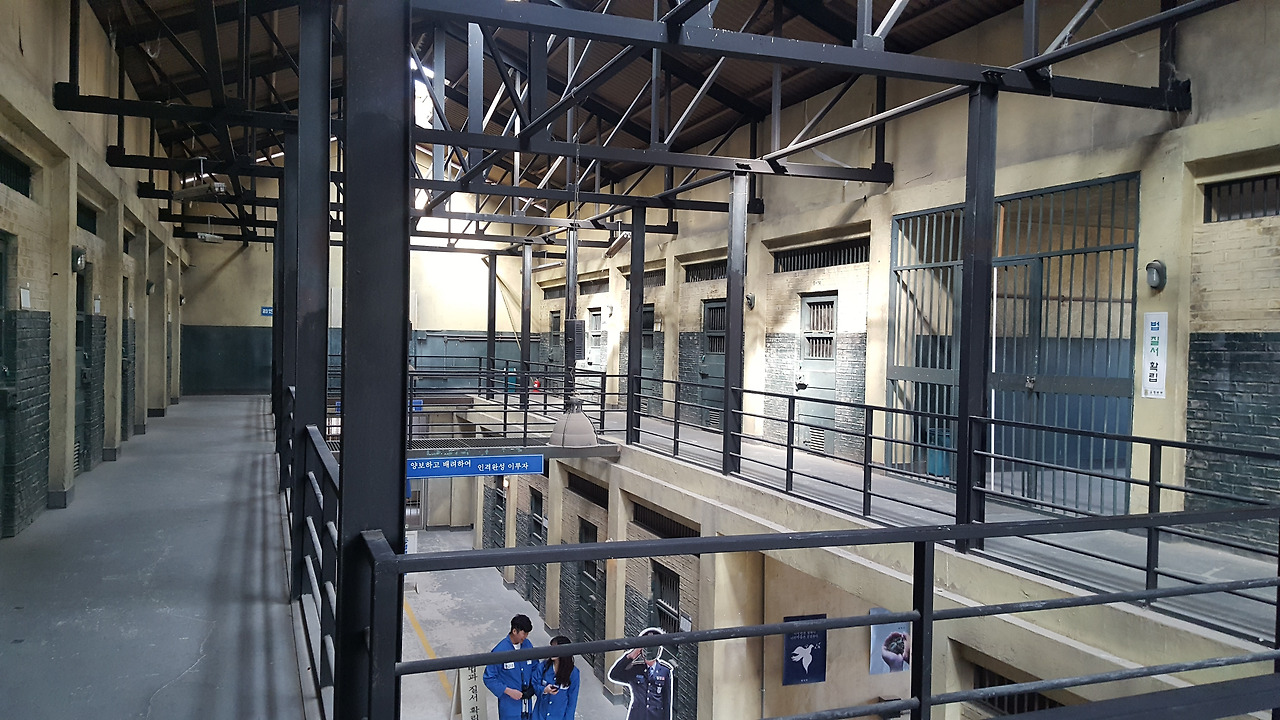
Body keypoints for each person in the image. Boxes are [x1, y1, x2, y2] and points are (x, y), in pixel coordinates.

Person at [608, 627, 674, 720]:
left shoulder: (665, 671)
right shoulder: (635, 669)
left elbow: (667, 702)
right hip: (637, 716)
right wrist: (630, 657)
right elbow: (614, 675)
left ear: (658, 651)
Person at [484, 614, 537, 720]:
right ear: (514, 631)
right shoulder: (500, 651)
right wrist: (508, 691)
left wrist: (532, 687)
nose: (525, 637)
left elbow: (535, 667)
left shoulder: (528, 645)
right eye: (524, 633)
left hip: (526, 705)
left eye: (527, 634)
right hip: (509, 706)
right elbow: (489, 678)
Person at [533, 635, 580, 720]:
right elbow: (535, 684)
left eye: (555, 648)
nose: (552, 651)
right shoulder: (543, 667)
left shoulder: (573, 673)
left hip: (559, 716)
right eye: (551, 647)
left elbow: (572, 701)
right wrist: (544, 690)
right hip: (540, 715)